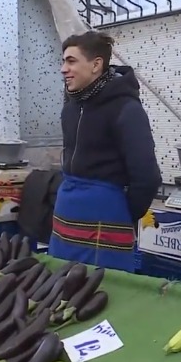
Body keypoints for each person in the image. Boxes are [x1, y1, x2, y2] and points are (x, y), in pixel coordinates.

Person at [49, 31, 162, 273]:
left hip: (105, 223)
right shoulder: (70, 107)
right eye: (63, 61)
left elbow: (147, 177)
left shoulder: (126, 109)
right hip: (66, 219)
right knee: (58, 289)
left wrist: (120, 213)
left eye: (71, 61)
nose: (63, 69)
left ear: (96, 65)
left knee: (103, 293)